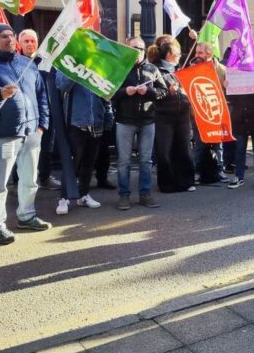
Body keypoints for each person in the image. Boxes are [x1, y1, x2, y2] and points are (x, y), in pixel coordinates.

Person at [0, 23, 51, 245]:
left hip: (32, 131)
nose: (8, 39)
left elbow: (41, 95)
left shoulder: (27, 64)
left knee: (29, 178)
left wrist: (42, 123)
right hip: (2, 133)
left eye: (11, 35)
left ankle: (27, 215)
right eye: (3, 36)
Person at [111, 37, 166, 210]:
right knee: (124, 161)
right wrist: (124, 92)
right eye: (135, 48)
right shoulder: (119, 68)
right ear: (127, 49)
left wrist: (149, 91)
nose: (139, 52)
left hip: (147, 121)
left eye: (142, 49)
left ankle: (145, 194)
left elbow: (163, 92)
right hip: (125, 121)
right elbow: (108, 93)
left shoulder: (152, 68)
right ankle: (124, 196)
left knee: (145, 161)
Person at [54, 67, 112, 214]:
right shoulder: (67, 65)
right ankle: (64, 198)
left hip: (97, 122)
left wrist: (109, 117)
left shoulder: (98, 67)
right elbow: (62, 85)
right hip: (76, 122)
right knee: (72, 162)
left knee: (89, 162)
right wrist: (77, 69)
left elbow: (106, 96)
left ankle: (83, 195)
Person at [18, 29, 61, 191]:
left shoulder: (46, 61)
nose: (30, 44)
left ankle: (44, 177)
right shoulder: (15, 61)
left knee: (47, 147)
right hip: (25, 114)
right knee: (22, 148)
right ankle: (18, 182)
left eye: (32, 41)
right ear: (20, 43)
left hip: (45, 112)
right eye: (26, 41)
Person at [153, 38, 197, 193]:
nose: (180, 55)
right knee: (164, 151)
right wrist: (167, 92)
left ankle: (186, 181)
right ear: (168, 54)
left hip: (183, 115)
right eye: (176, 52)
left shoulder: (182, 68)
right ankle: (167, 184)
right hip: (163, 116)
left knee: (184, 149)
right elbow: (154, 92)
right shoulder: (156, 70)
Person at [190, 42, 228, 183]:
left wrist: (227, 87)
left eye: (200, 53)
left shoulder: (222, 70)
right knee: (199, 145)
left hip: (216, 113)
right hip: (198, 114)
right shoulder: (192, 69)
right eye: (196, 52)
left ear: (209, 54)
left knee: (218, 145)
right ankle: (197, 172)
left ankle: (220, 170)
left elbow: (228, 93)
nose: (196, 55)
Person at [226, 69, 254, 190]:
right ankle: (239, 176)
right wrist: (226, 88)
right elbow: (230, 98)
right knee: (239, 148)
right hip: (240, 118)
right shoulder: (235, 75)